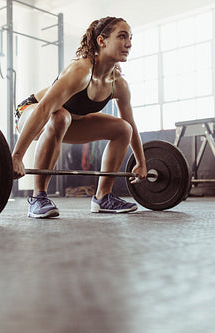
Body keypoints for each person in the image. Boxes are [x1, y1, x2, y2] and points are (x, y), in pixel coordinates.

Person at [12, 16, 148, 218]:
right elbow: (44, 110)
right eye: (122, 37)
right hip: (31, 112)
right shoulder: (80, 71)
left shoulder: (118, 84)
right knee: (60, 116)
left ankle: (103, 197)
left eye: (130, 38)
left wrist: (142, 162)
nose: (128, 44)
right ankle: (38, 197)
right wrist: (16, 156)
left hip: (67, 121)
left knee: (123, 129)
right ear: (102, 41)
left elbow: (131, 125)